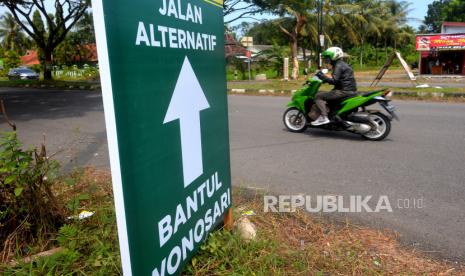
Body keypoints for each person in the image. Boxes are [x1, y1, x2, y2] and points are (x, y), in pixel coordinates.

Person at [311, 47, 357, 126]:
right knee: (324, 93)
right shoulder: (343, 64)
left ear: (334, 56)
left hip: (343, 91)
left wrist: (322, 76)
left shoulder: (338, 65)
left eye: (328, 57)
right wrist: (325, 78)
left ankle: (324, 117)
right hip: (350, 90)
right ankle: (333, 115)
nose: (326, 59)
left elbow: (334, 80)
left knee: (318, 96)